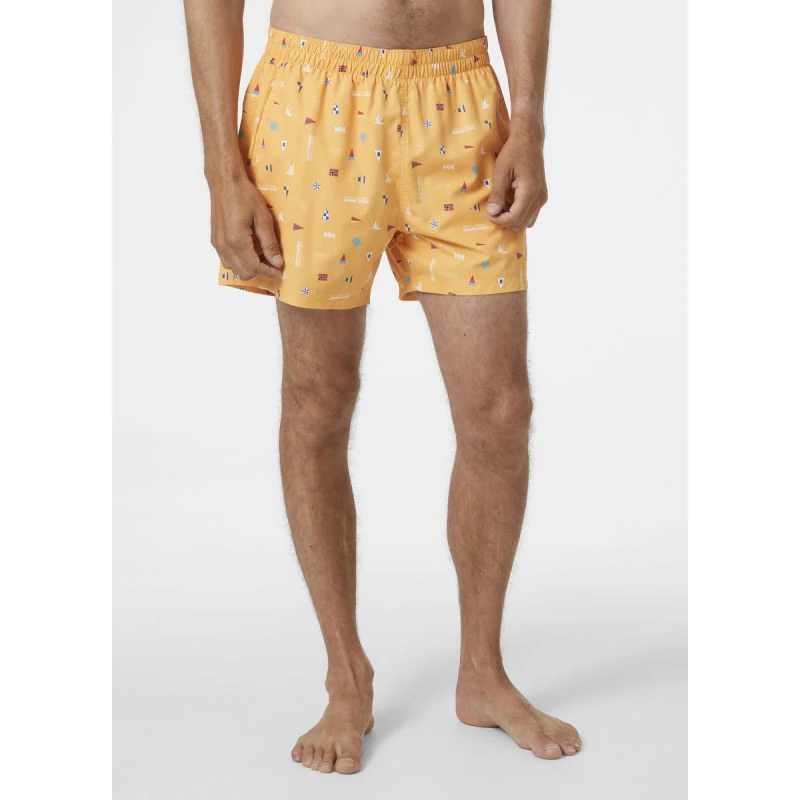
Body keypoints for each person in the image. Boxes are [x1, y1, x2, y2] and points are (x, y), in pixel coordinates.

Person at [184, 0, 581, 774]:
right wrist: (220, 171)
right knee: (318, 400)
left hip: (460, 105)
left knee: (500, 412)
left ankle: (483, 673)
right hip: (313, 103)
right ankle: (346, 678)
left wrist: (529, 118)